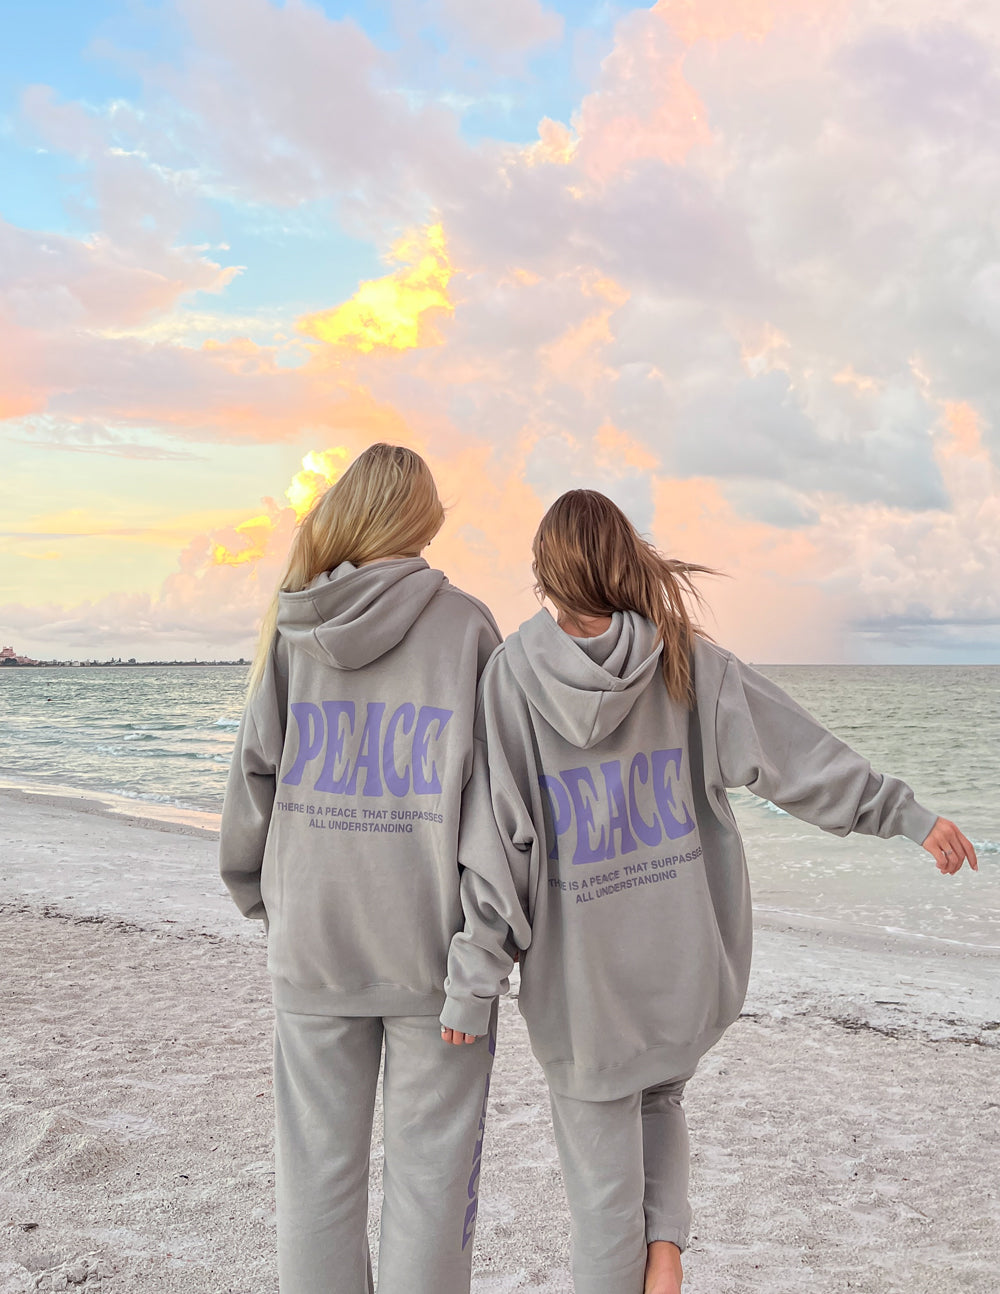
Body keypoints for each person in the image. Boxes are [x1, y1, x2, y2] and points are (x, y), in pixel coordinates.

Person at [439, 489, 978, 1294]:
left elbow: (501, 844)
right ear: (625, 560)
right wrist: (904, 813)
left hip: (586, 995)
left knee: (599, 1215)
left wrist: (472, 984)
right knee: (660, 1099)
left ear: (544, 574)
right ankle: (666, 1255)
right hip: (684, 966)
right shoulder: (686, 658)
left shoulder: (511, 679)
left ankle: (647, 1258)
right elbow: (798, 758)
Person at [220, 443, 501, 1294]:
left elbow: (253, 774)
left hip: (314, 945)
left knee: (316, 1185)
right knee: (432, 1185)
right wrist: (483, 954)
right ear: (422, 516)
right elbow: (496, 814)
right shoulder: (467, 627)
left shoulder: (296, 623)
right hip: (432, 961)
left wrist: (262, 894)